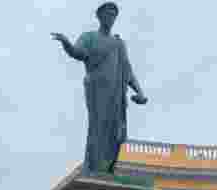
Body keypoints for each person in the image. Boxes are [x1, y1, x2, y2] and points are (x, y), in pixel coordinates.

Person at [51, 2, 148, 175]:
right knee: (98, 127)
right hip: (97, 90)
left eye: (113, 15)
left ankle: (108, 168)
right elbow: (78, 53)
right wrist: (66, 43)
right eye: (107, 14)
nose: (111, 17)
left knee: (117, 132)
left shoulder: (119, 44)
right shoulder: (89, 37)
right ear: (99, 16)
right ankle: (95, 167)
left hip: (116, 94)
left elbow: (127, 70)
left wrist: (140, 92)